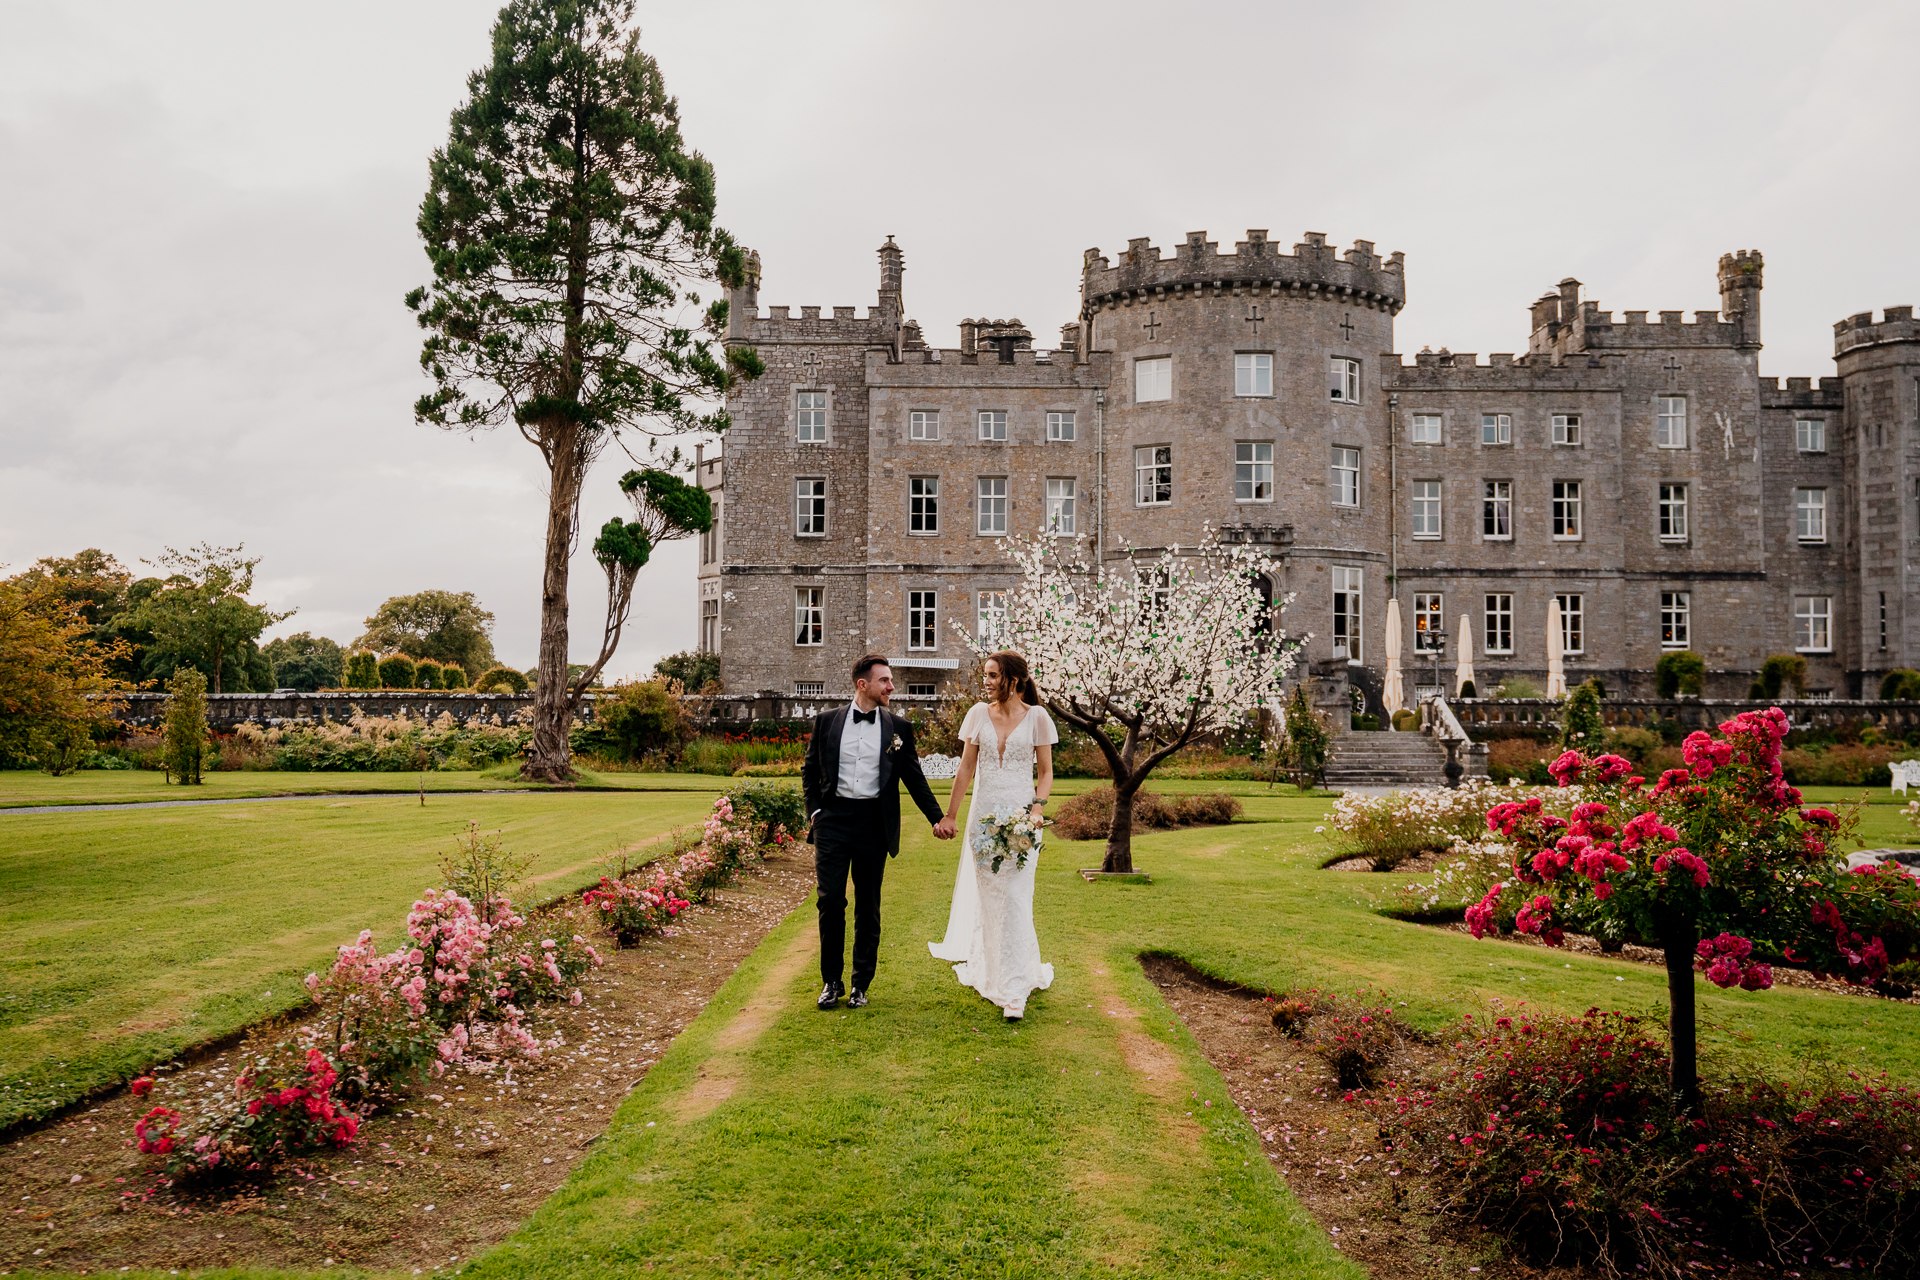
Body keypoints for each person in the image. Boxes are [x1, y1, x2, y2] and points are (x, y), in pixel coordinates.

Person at [802, 654, 953, 1011]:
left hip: (874, 823)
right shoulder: (826, 722)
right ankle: (831, 982)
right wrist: (816, 813)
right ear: (863, 684)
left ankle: (860, 985)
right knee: (830, 902)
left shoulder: (899, 729)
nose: (891, 686)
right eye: (884, 680)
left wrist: (937, 817)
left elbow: (914, 778)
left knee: (868, 905)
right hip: (833, 822)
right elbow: (810, 772)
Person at [928, 651, 1057, 1020]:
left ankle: (1015, 990)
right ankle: (991, 971)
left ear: (1013, 680)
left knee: (1016, 897)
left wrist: (1036, 812)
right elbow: (966, 769)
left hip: (1021, 822)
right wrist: (950, 815)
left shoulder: (1038, 718)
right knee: (991, 900)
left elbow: (1046, 773)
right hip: (982, 822)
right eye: (985, 674)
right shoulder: (976, 715)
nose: (985, 681)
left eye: (992, 675)